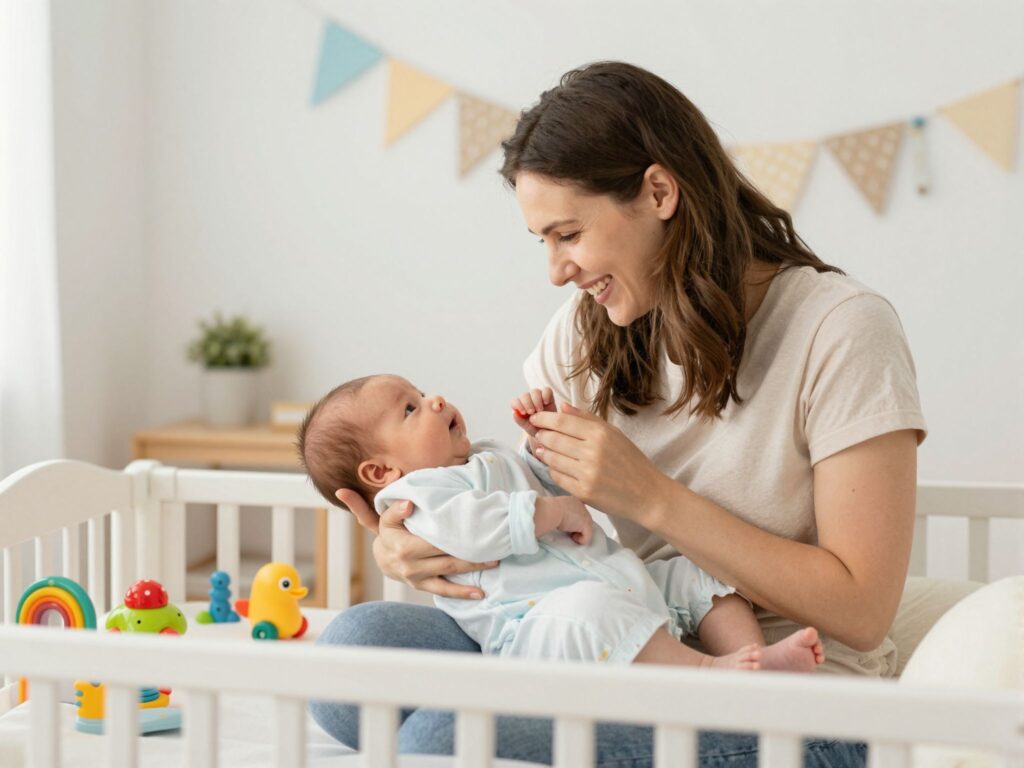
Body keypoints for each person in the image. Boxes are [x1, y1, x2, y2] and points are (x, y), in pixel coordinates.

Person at [311, 61, 927, 767]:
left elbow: (862, 612)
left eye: (568, 235)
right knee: (353, 653)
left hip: (798, 700)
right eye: (543, 241)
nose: (556, 271)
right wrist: (416, 535)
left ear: (659, 192)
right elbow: (520, 523)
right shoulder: (584, 335)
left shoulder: (841, 329)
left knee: (439, 737)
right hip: (619, 637)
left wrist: (653, 497)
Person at [298, 373, 826, 672]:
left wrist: (541, 442)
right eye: (411, 410)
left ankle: (752, 664)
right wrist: (551, 512)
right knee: (589, 611)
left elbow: (552, 484)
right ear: (381, 472)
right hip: (542, 627)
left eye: (420, 393)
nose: (433, 399)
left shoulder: (484, 456)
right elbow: (477, 529)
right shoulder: (417, 498)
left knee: (698, 574)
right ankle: (711, 674)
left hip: (622, 584)